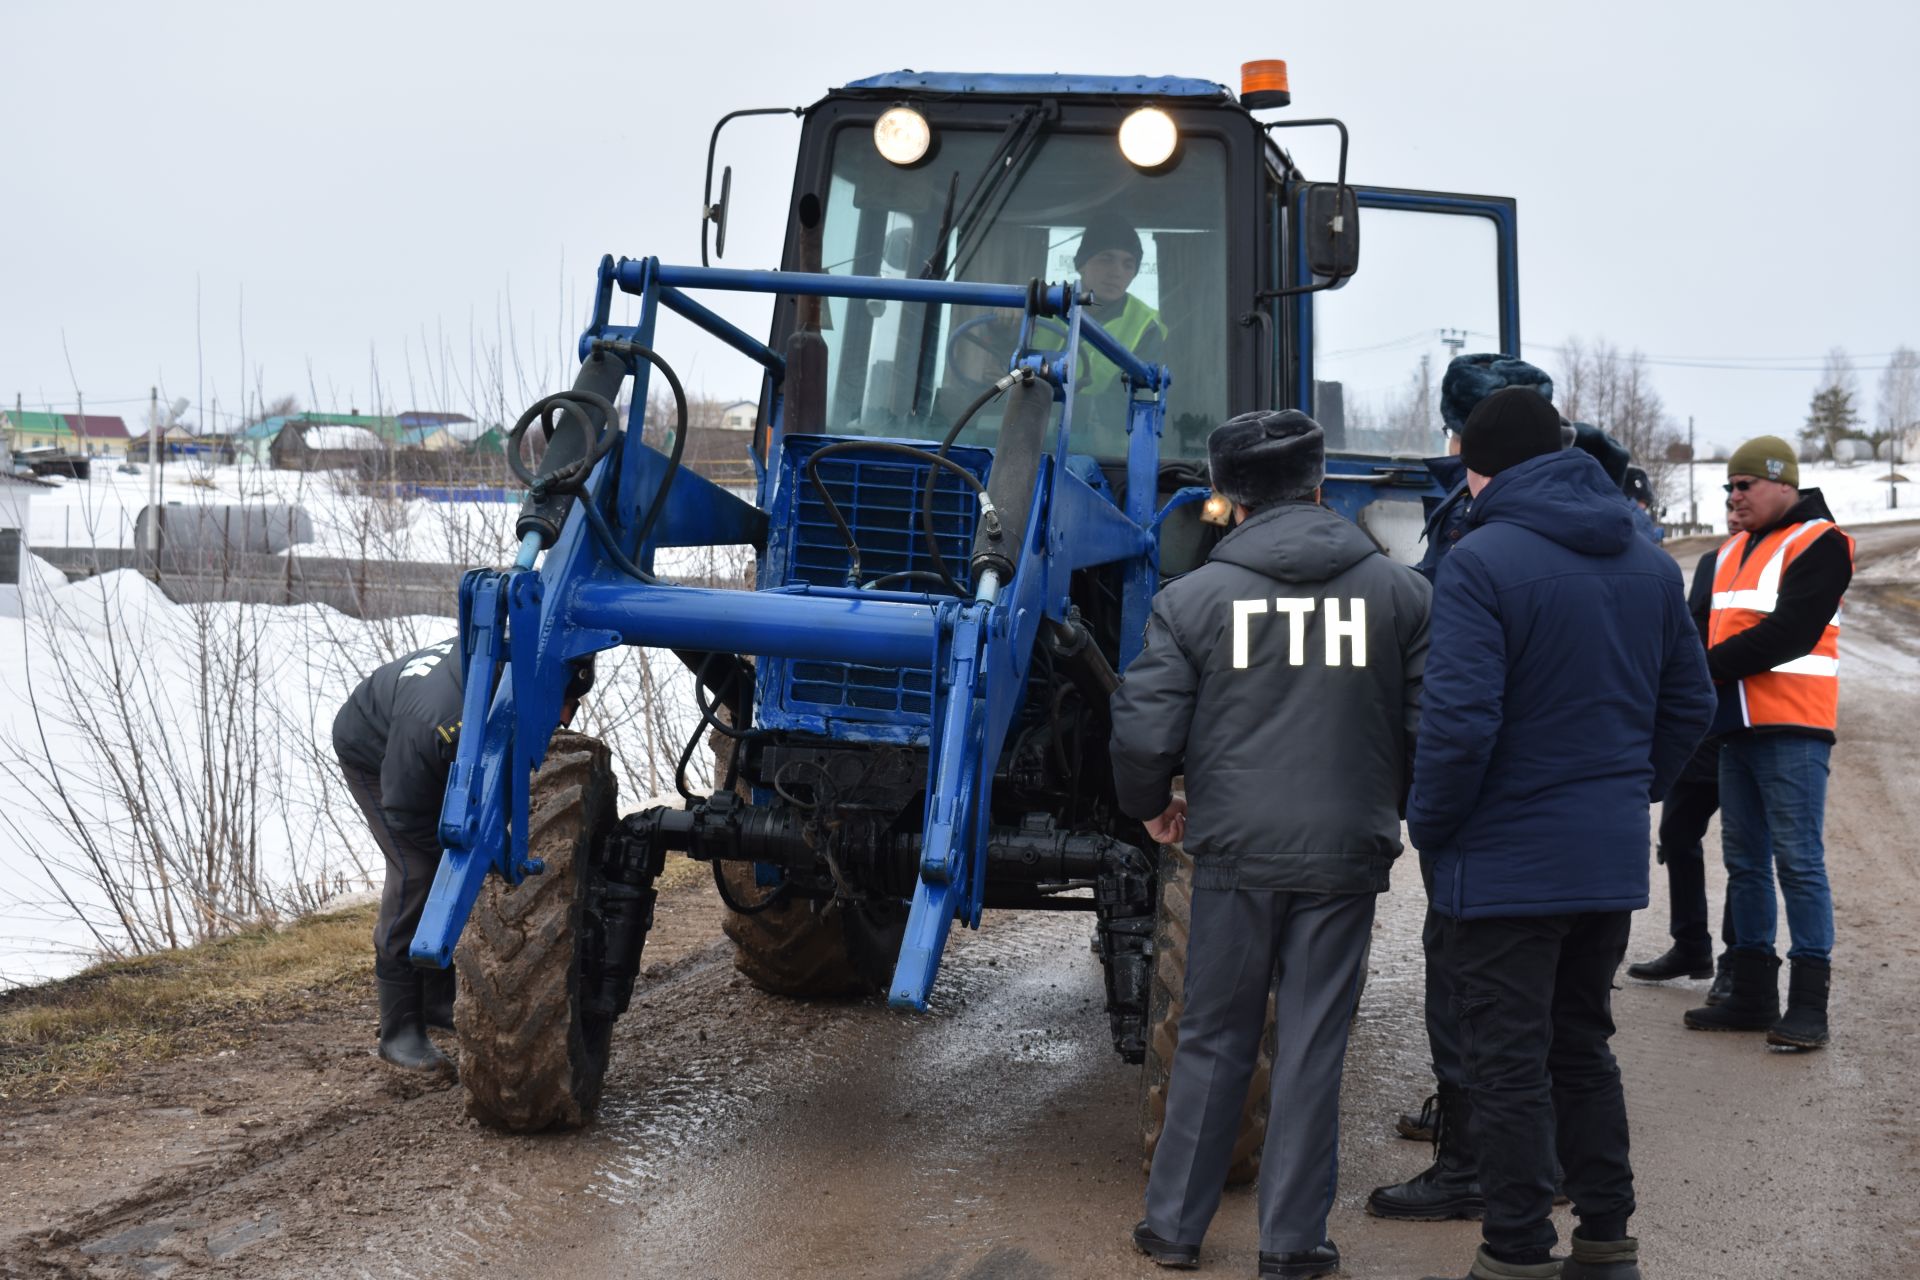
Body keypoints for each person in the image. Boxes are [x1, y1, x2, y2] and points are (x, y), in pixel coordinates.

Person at [1111, 410, 1430, 1279]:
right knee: (1313, 1044)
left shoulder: (1194, 600)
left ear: (1228, 498)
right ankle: (1292, 1245)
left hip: (1234, 854)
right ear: (1321, 486)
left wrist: (1151, 807)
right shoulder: (1401, 594)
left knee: (1215, 1036)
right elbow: (1428, 727)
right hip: (1344, 855)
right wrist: (1385, 808)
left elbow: (1143, 730)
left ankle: (1174, 1228)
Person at [1408, 387, 1714, 1280]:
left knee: (1505, 1065)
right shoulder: (1650, 562)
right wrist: (1632, 792)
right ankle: (1607, 1241)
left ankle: (1515, 1254)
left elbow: (1460, 725)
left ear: (1478, 464)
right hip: (1602, 856)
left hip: (1503, 862)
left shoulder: (1480, 560)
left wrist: (1432, 825)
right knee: (1583, 1047)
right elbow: (1690, 702)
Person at [1380, 354, 1553, 1223]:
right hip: (1567, 812)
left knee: (1466, 982)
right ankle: (1531, 1151)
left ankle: (1472, 1168)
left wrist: (1431, 812)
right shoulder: (1604, 521)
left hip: (1489, 805)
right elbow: (1676, 697)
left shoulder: (1482, 535)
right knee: (1550, 995)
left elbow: (1458, 697)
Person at [333, 639, 593, 1071]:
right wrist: (463, 857)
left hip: (426, 748)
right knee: (418, 871)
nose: (565, 718)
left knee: (451, 866)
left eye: (573, 705)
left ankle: (438, 1002)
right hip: (376, 753)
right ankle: (398, 1029)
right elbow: (403, 809)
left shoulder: (522, 661)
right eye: (561, 704)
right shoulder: (441, 721)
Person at [1682, 436, 1853, 1050]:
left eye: (1745, 484)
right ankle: (1753, 993)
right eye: (1730, 486)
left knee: (1798, 863)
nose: (1735, 495)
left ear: (1784, 484)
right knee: (1745, 864)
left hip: (1792, 727)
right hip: (1735, 729)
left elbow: (1791, 633)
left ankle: (1810, 1004)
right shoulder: (1729, 551)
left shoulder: (1820, 543)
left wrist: (1698, 672)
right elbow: (1696, 629)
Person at [1626, 500, 1747, 992]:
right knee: (1676, 834)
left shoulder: (1783, 560)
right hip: (1705, 725)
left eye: (1744, 493)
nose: (1734, 508)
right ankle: (1691, 946)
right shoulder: (1713, 563)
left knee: (1745, 852)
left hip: (1752, 727)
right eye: (1729, 496)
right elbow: (1690, 634)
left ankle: (1739, 961)